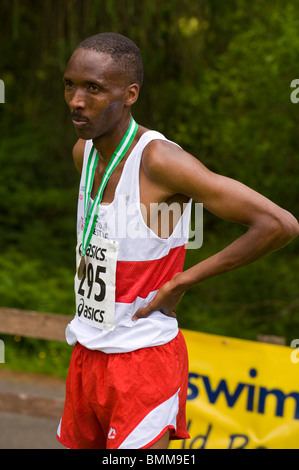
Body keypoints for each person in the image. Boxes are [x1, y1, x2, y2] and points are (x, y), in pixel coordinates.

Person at [56, 32, 299, 450]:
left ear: (130, 94)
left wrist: (180, 282)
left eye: (94, 88)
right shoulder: (85, 152)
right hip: (87, 350)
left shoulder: (159, 161)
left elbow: (278, 224)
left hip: (142, 360)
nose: (77, 100)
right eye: (70, 85)